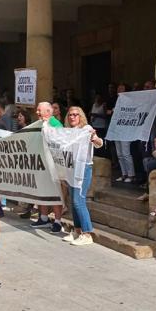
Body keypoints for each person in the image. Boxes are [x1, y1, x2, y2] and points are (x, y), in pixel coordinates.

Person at [62, 106, 104, 246]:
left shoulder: (87, 129)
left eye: (75, 115)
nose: (72, 117)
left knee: (78, 200)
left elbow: (99, 143)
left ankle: (87, 234)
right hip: (71, 168)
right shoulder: (67, 131)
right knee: (73, 202)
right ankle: (77, 230)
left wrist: (94, 138)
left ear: (81, 116)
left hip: (84, 168)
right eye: (70, 115)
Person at [31, 102, 65, 233]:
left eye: (39, 110)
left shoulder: (56, 124)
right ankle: (43, 218)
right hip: (41, 163)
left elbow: (59, 142)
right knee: (42, 191)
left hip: (52, 165)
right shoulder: (39, 123)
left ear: (48, 112)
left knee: (55, 193)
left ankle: (57, 221)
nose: (37, 112)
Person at [114, 83, 136, 183]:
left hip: (126, 130)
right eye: (118, 88)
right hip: (117, 129)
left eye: (122, 88)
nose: (119, 90)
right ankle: (124, 174)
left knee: (126, 153)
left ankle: (131, 175)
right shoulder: (118, 100)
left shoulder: (130, 101)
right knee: (119, 154)